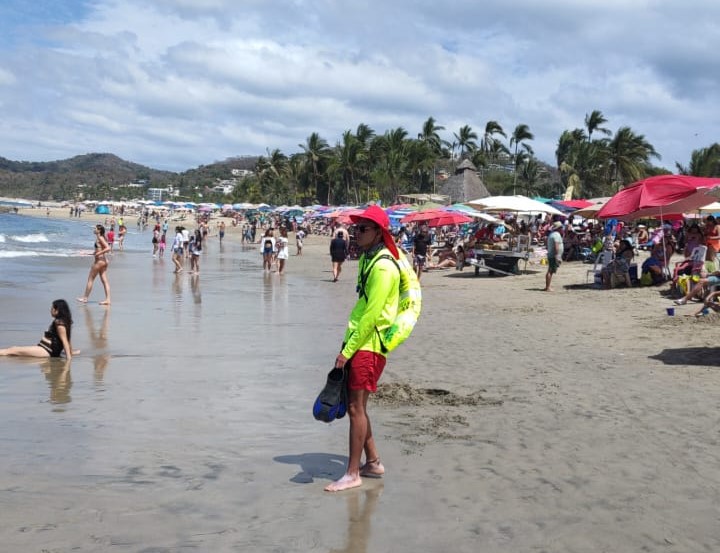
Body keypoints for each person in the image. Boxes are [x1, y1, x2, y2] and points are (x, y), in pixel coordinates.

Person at [325, 205, 400, 493]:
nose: (357, 233)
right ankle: (374, 462)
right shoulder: (371, 260)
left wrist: (348, 350)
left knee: (356, 408)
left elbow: (371, 314)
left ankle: (352, 472)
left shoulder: (382, 266)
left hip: (369, 345)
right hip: (362, 342)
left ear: (379, 233)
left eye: (363, 229)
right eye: (356, 228)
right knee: (360, 408)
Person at [1, 300, 78, 360]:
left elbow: (65, 341)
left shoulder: (59, 324)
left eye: (52, 308)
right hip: (47, 349)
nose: (50, 310)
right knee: (15, 352)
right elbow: (68, 339)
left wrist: (69, 359)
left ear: (57, 310)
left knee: (13, 350)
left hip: (46, 350)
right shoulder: (65, 321)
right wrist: (71, 352)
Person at [77, 224, 111, 305]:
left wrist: (99, 253)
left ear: (99, 230)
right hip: (103, 261)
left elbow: (108, 248)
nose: (94, 229)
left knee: (90, 279)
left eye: (95, 228)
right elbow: (97, 251)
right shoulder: (100, 238)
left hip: (99, 262)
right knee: (105, 281)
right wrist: (86, 253)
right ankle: (108, 300)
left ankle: (85, 298)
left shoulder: (100, 238)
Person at [544, 221, 564, 292]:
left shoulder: (552, 234)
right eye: (561, 227)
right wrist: (557, 256)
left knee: (550, 270)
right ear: (559, 228)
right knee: (550, 271)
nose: (562, 229)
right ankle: (547, 287)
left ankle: (547, 286)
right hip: (553, 255)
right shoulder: (556, 235)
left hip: (551, 254)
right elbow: (556, 246)